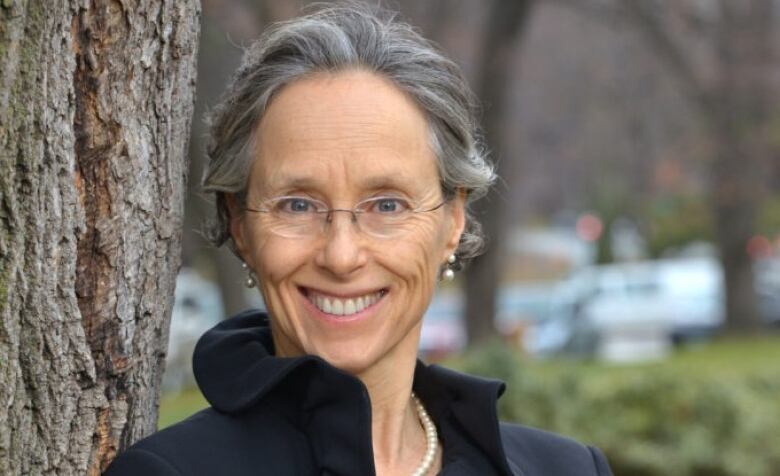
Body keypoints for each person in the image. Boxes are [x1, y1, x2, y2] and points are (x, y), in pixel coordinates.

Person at [105, 3, 613, 475]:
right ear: (240, 225)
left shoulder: (568, 468)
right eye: (298, 205)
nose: (342, 256)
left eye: (387, 205)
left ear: (453, 220)